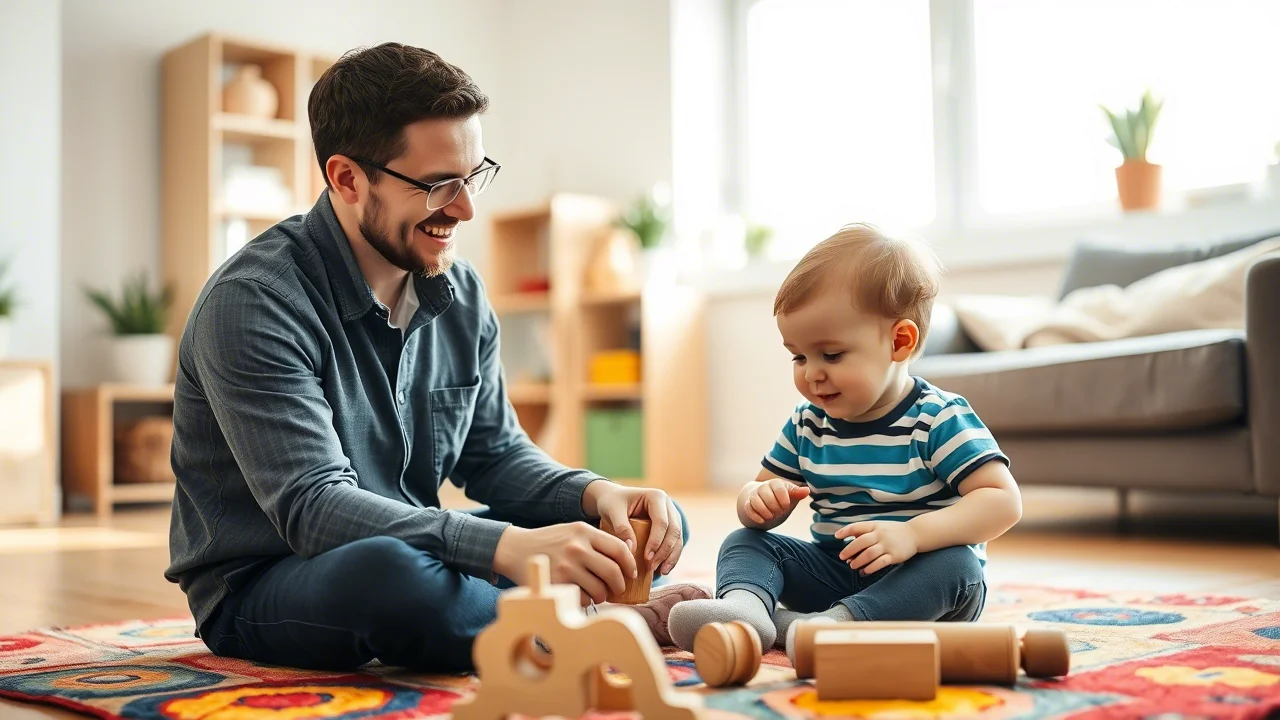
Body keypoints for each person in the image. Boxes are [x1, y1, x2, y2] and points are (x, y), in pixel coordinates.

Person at [165, 42, 705, 673]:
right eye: (439, 184)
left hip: (412, 541)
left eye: (474, 175)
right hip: (269, 579)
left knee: (642, 523)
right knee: (394, 579)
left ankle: (542, 617)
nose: (466, 207)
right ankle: (591, 624)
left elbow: (495, 455)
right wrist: (510, 547)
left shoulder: (463, 290)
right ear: (346, 178)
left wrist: (596, 495)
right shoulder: (253, 303)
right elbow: (313, 508)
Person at [666, 223, 1023, 654]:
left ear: (899, 341)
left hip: (921, 581)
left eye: (831, 354)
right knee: (745, 541)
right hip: (834, 574)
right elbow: (758, 494)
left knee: (959, 564)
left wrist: (913, 536)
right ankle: (748, 613)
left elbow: (1003, 502)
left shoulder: (938, 418)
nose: (811, 372)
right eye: (798, 355)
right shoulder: (807, 423)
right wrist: (757, 501)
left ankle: (838, 626)